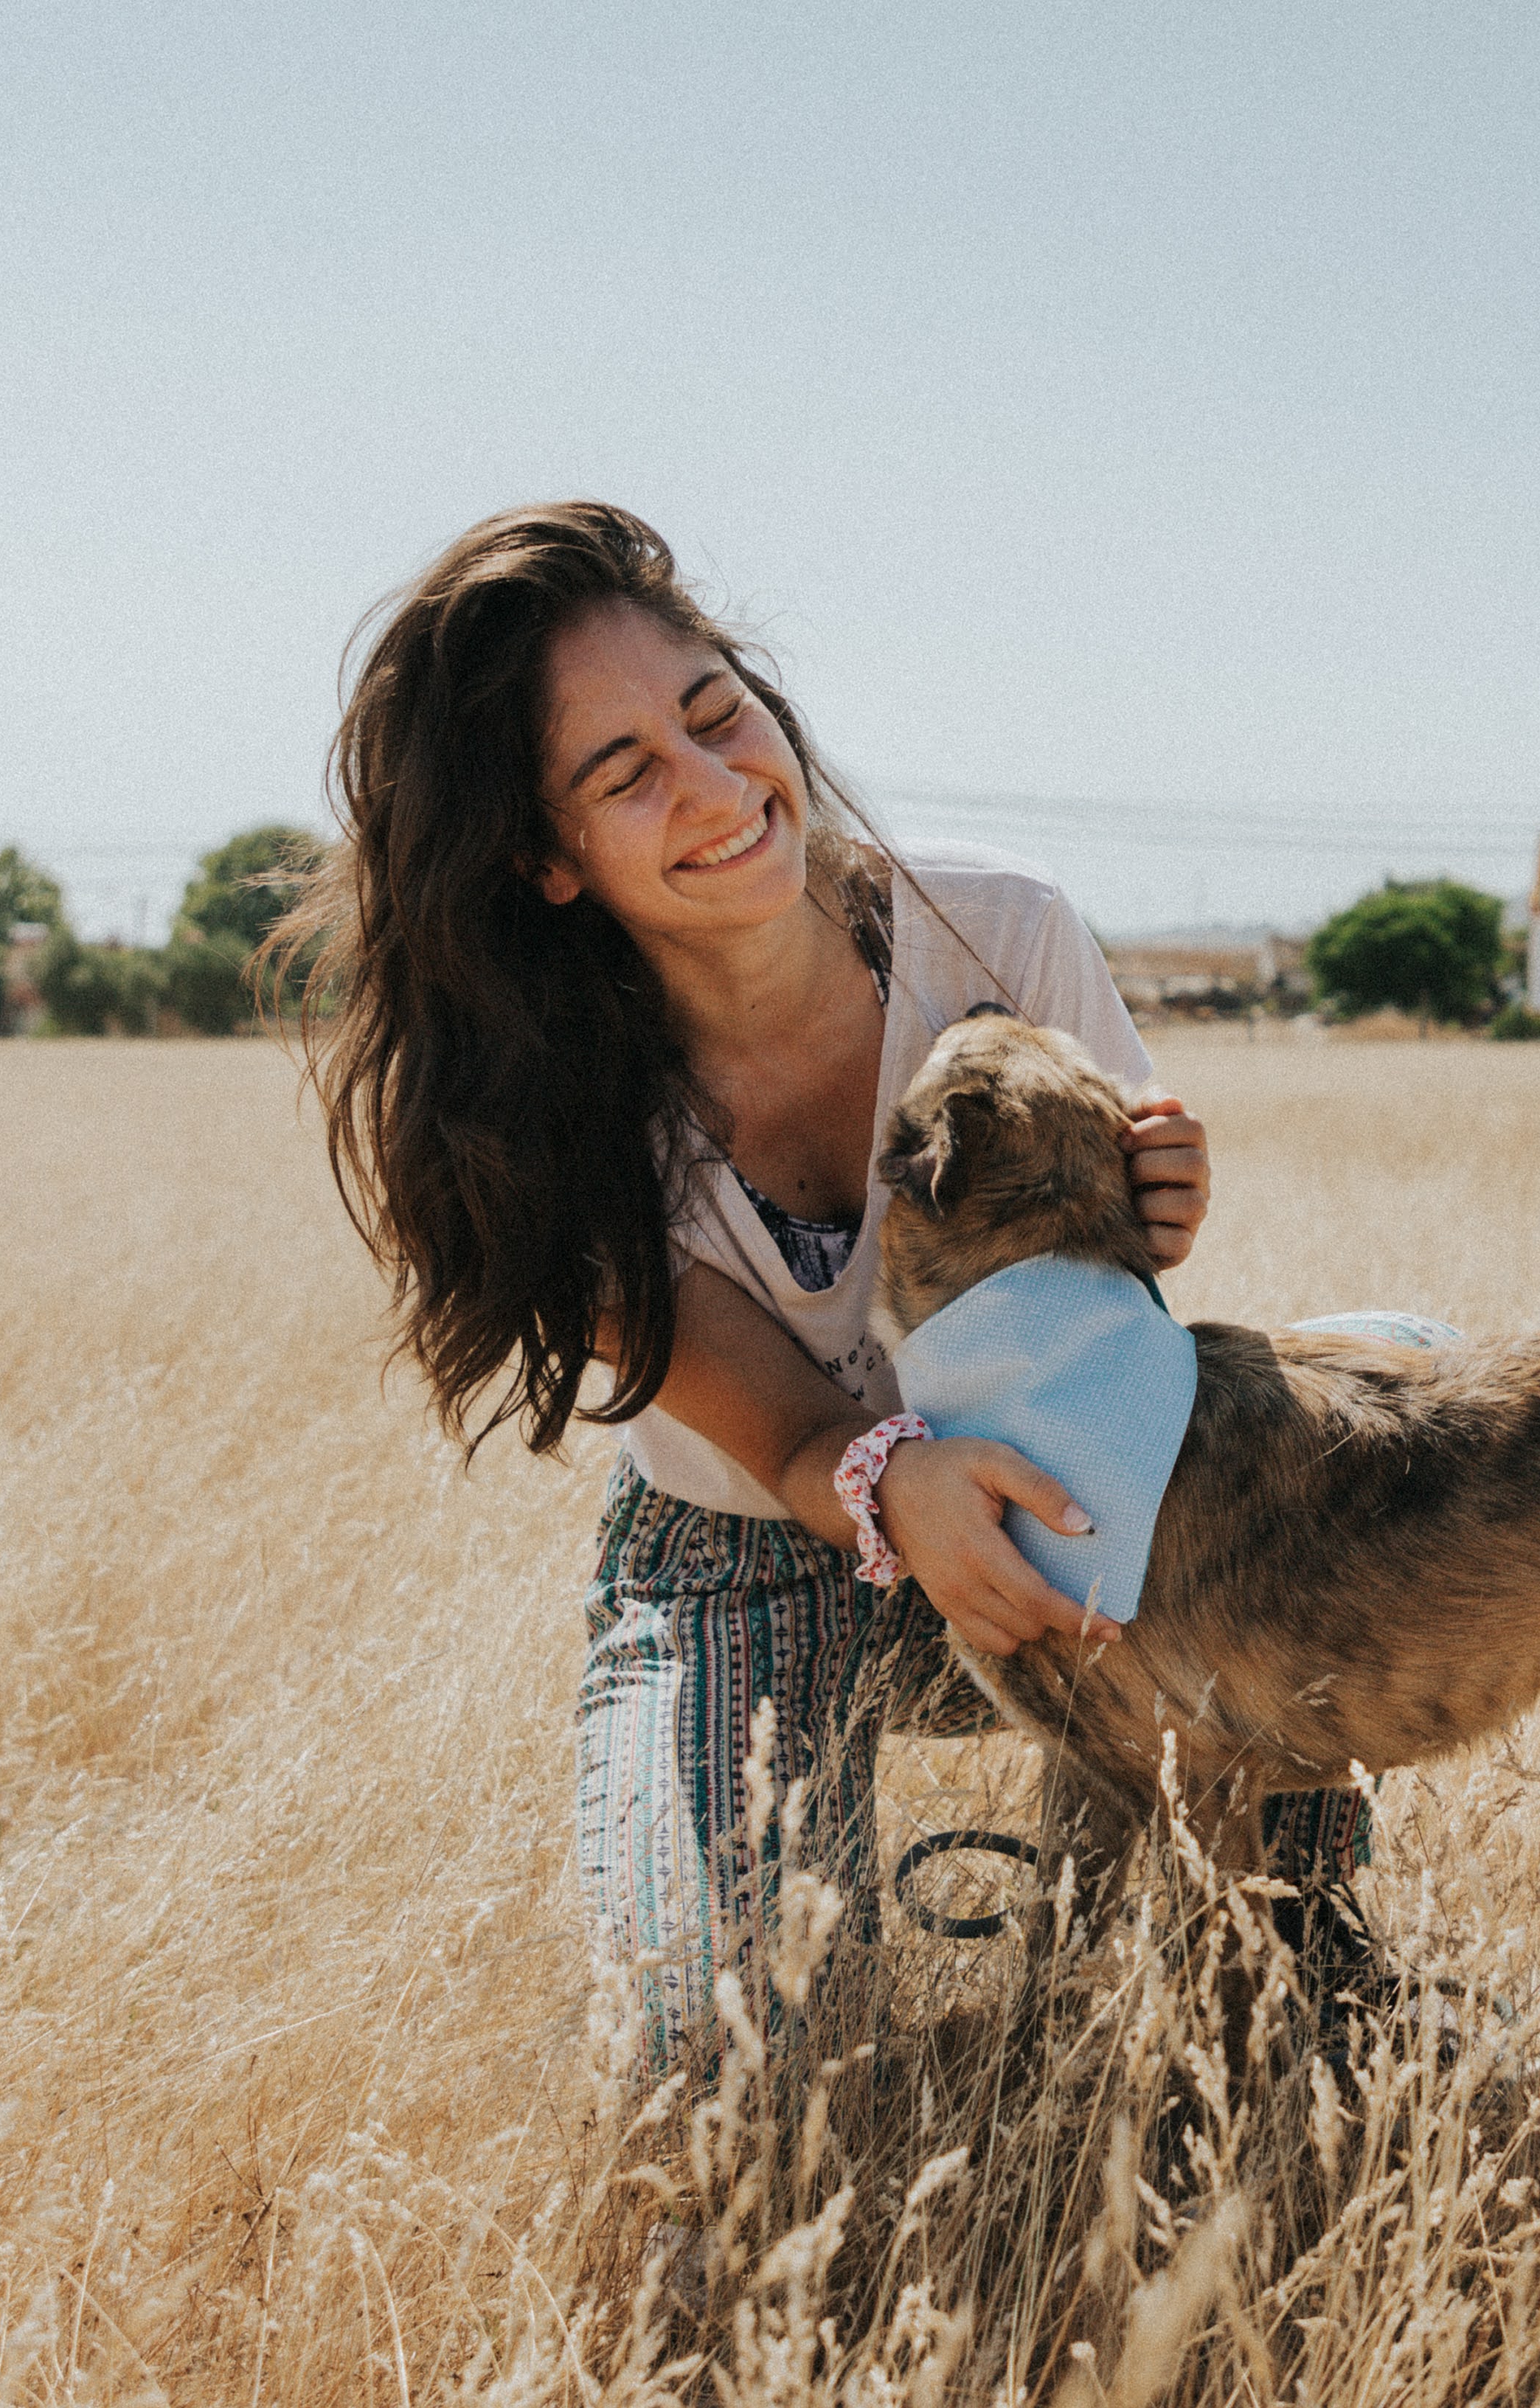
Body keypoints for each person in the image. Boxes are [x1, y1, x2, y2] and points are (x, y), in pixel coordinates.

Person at [278, 502, 1375, 2069]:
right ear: (545, 859)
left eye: (715, 712)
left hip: (1055, 1512)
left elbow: (1099, 1317)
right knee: (716, 2060)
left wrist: (1154, 1203)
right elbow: (790, 1435)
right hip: (739, 1545)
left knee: (1245, 2008)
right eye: (626, 773)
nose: (720, 787)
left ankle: (1302, 1961)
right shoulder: (529, 1125)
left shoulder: (998, 931)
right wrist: (895, 1483)